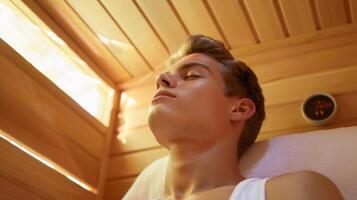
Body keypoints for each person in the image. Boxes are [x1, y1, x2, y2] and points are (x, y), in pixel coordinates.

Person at [123, 35, 343, 200]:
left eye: (192, 75)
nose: (162, 79)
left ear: (240, 109)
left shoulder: (293, 192)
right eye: (164, 76)